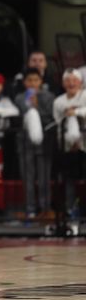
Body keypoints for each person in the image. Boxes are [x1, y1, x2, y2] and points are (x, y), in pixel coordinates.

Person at [14, 68, 55, 218]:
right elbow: (18, 117)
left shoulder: (49, 97)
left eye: (35, 80)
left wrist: (36, 106)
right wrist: (29, 107)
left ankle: (45, 208)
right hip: (25, 143)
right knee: (28, 177)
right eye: (29, 80)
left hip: (44, 142)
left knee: (44, 177)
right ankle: (30, 209)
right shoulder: (19, 98)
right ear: (24, 82)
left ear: (41, 81)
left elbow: (51, 117)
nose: (32, 83)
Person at [53, 68, 86, 217]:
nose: (71, 83)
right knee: (69, 179)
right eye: (67, 80)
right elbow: (58, 124)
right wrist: (67, 143)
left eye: (74, 80)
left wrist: (77, 112)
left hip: (84, 145)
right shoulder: (58, 101)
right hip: (68, 147)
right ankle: (70, 209)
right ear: (63, 83)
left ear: (80, 82)